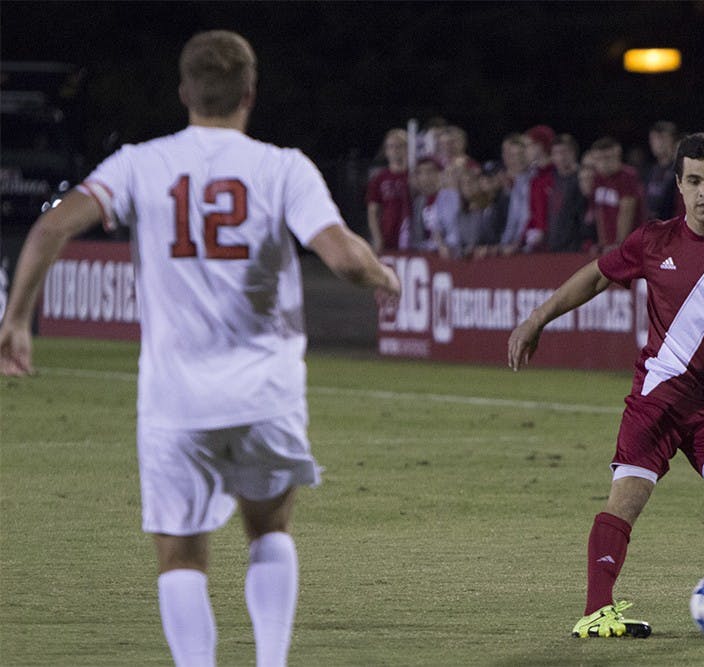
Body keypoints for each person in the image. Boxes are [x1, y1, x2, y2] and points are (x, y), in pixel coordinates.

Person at [0, 31, 401, 667]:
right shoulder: (283, 167)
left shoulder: (140, 162)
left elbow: (51, 225)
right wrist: (382, 276)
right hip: (265, 392)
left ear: (185, 92)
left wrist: (18, 318)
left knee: (181, 554)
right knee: (269, 529)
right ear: (250, 92)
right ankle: (271, 661)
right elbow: (344, 256)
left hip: (175, 396)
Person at [508, 133, 704, 639]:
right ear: (679, 185)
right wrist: (538, 317)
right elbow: (597, 277)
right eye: (695, 181)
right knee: (628, 495)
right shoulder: (654, 240)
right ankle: (597, 612)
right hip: (658, 400)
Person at [591, 136, 646, 252]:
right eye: (598, 159)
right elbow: (599, 212)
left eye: (607, 158)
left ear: (617, 154)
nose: (603, 163)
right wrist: (602, 243)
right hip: (608, 246)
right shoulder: (597, 179)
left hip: (631, 245)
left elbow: (627, 210)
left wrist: (619, 243)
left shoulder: (627, 176)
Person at [365, 128, 411, 253]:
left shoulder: (414, 175)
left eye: (400, 146)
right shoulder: (380, 178)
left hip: (413, 235)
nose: (395, 150)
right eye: (391, 147)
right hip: (388, 234)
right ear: (386, 151)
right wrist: (377, 238)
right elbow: (373, 211)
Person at [546, 133, 583, 252]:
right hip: (554, 247)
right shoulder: (552, 180)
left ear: (574, 152)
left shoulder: (582, 178)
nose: (561, 157)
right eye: (556, 153)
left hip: (576, 248)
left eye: (565, 152)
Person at [523, 124, 557, 252]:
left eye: (528, 145)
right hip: (537, 246)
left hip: (556, 246)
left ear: (540, 145)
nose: (525, 150)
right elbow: (533, 213)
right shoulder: (535, 178)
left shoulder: (556, 175)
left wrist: (544, 232)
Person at [643, 121, 679, 221]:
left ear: (673, 140)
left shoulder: (680, 170)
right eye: (653, 139)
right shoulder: (651, 171)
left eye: (662, 138)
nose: (657, 143)